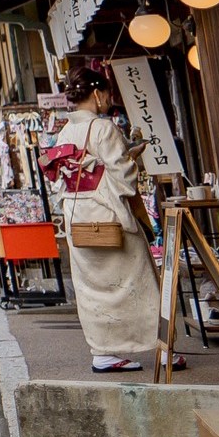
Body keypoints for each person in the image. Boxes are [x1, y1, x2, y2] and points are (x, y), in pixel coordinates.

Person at [47, 67, 169, 374]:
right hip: (111, 218)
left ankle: (102, 352)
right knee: (139, 283)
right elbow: (124, 175)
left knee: (91, 290)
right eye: (107, 94)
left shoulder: (64, 132)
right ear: (98, 93)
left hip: (79, 220)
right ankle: (161, 349)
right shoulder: (102, 128)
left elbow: (63, 178)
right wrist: (134, 157)